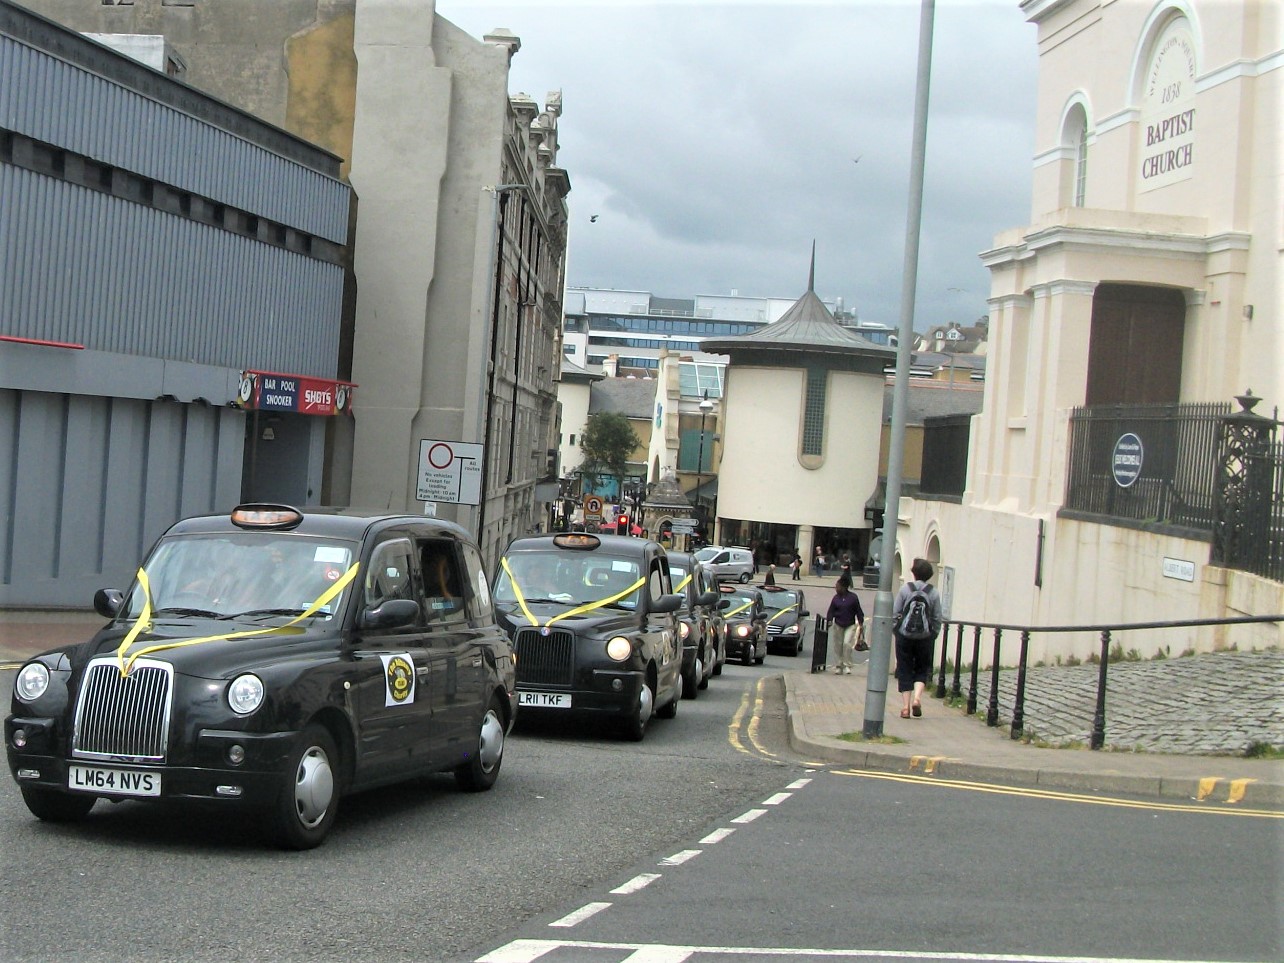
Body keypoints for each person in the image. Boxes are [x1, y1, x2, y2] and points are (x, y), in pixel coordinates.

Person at [892, 558, 943, 718]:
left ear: (913, 573)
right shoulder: (933, 593)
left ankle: (905, 707)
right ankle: (917, 698)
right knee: (922, 668)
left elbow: (895, 613)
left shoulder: (905, 590)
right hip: (925, 637)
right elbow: (937, 617)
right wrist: (933, 634)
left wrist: (896, 630)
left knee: (904, 668)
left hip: (904, 636)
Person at [824, 576, 864, 674]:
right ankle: (838, 665)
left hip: (850, 624)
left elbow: (858, 610)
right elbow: (831, 610)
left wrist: (861, 622)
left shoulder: (853, 598)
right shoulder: (835, 598)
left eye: (837, 587)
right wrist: (829, 620)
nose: (836, 588)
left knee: (847, 644)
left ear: (844, 587)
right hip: (838, 624)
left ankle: (847, 665)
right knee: (838, 645)